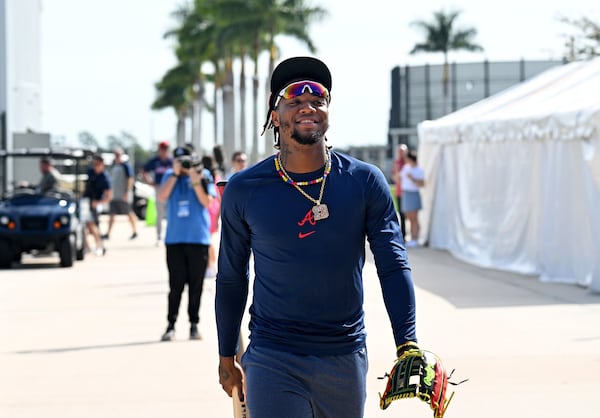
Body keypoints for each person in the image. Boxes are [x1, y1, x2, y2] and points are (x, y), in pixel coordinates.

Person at [215, 56, 418, 418]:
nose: (308, 108)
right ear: (275, 115)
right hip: (272, 354)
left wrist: (408, 343)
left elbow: (392, 264)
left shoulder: (364, 182)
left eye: (318, 100)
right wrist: (226, 353)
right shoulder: (245, 189)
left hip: (344, 355)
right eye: (294, 101)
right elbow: (232, 276)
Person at [158, 146, 216, 341]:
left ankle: (194, 324)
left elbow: (207, 202)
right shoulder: (169, 175)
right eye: (179, 160)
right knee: (175, 285)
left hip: (198, 239)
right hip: (174, 239)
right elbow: (162, 196)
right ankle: (171, 324)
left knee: (196, 285)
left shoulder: (202, 174)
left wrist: (194, 178)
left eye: (186, 160)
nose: (183, 164)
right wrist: (175, 174)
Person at [103, 148, 138, 240]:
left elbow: (130, 179)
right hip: (114, 195)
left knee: (129, 213)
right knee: (111, 214)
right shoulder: (113, 166)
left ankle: (135, 231)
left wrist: (127, 192)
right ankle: (108, 233)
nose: (117, 156)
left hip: (123, 195)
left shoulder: (126, 166)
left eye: (118, 155)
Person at [142, 141, 173, 244]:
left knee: (170, 213)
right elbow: (144, 170)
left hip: (170, 188)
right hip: (159, 187)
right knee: (159, 213)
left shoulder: (171, 161)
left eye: (166, 149)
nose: (164, 151)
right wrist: (150, 182)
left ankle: (170, 235)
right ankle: (159, 236)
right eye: (162, 149)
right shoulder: (155, 161)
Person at [84, 154, 112, 256]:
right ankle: (87, 247)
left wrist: (97, 203)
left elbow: (109, 197)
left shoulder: (105, 178)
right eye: (94, 164)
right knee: (85, 226)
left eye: (98, 164)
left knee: (93, 224)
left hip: (97, 203)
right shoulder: (90, 172)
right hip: (86, 202)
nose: (96, 166)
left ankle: (99, 246)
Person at [201, 154, 223, 279]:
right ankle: (211, 264)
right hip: (214, 209)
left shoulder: (205, 176)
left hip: (207, 209)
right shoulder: (216, 176)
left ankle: (211, 265)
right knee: (209, 239)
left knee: (207, 240)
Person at [400, 150, 425, 248]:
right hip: (406, 193)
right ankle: (412, 238)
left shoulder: (419, 170)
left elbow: (422, 184)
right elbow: (399, 178)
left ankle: (415, 238)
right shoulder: (406, 168)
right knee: (409, 218)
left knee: (414, 218)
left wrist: (412, 178)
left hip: (413, 193)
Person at [391, 143, 408, 240]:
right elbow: (395, 177)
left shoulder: (409, 162)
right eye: (399, 151)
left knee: (410, 214)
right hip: (400, 192)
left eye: (402, 151)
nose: (400, 153)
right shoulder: (397, 163)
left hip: (408, 192)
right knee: (401, 214)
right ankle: (403, 235)